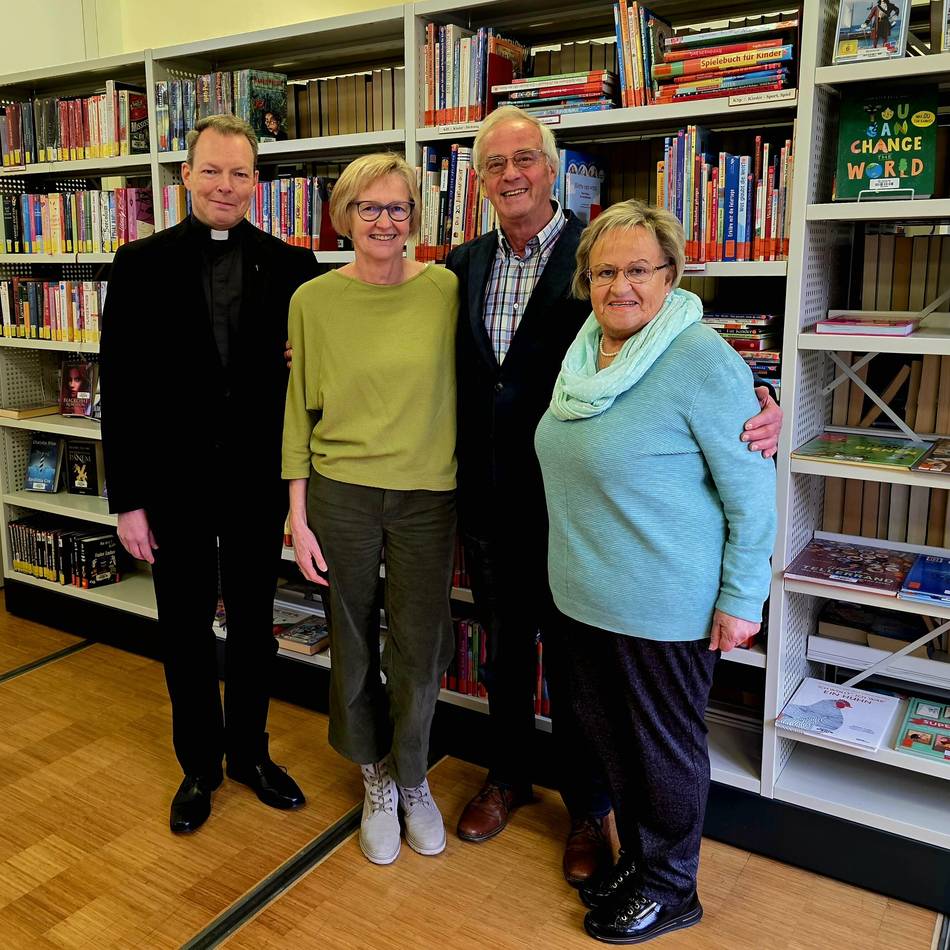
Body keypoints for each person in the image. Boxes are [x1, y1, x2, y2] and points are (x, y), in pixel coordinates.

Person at [447, 105, 783, 886]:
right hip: (496, 502)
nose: (511, 174)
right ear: (479, 179)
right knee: (505, 659)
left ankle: (587, 811)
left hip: (595, 519)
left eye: (525, 158)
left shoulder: (599, 251)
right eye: (494, 163)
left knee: (583, 687)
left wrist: (763, 401)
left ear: (553, 168)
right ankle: (507, 777)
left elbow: (678, 353)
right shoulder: (461, 266)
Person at [534, 199, 776, 944]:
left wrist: (743, 598)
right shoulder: (584, 354)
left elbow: (751, 492)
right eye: (604, 272)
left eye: (639, 269)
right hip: (584, 596)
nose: (621, 286)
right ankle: (643, 863)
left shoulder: (700, 358)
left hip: (664, 605)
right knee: (615, 746)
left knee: (662, 754)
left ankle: (673, 889)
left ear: (672, 275)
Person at [100, 114, 320, 834]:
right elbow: (121, 387)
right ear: (186, 175)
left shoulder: (293, 266)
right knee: (185, 627)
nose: (226, 185)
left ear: (257, 182)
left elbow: (316, 371)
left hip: (258, 481)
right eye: (213, 170)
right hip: (173, 486)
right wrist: (128, 500)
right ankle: (199, 764)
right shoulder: (139, 263)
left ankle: (250, 754)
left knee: (255, 627)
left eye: (240, 173)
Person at [282, 153, 459, 866]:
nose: (384, 221)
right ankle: (374, 775)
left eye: (398, 207)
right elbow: (298, 410)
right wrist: (297, 514)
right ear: (345, 216)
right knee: (351, 638)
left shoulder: (446, 289)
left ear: (415, 217)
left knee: (420, 643)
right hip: (341, 492)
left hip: (427, 494)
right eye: (369, 207)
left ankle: (414, 774)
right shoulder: (312, 301)